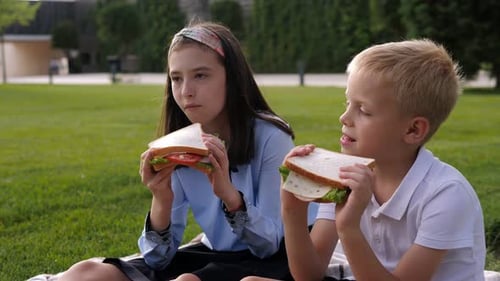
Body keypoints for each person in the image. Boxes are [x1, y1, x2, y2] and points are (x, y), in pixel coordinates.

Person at [58, 21, 317, 281]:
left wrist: (228, 194)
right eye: (176, 78)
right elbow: (157, 259)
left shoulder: (272, 137)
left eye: (201, 75)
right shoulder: (180, 143)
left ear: (232, 77)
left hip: (275, 259)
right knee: (85, 272)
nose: (185, 92)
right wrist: (161, 199)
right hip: (216, 254)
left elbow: (267, 245)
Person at [242, 39, 486, 281]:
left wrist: (348, 228)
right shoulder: (344, 176)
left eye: (364, 110)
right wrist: (292, 210)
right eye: (348, 103)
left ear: (413, 130)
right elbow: (309, 275)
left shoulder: (445, 194)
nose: (344, 117)